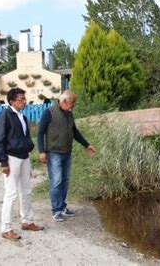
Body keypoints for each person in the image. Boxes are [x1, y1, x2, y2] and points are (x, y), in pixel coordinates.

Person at [0, 88, 44, 241]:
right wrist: (3, 162)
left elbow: (25, 136)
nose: (24, 101)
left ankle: (27, 221)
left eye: (24, 98)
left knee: (26, 191)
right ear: (12, 101)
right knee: (11, 193)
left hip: (24, 157)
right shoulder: (4, 116)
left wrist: (29, 147)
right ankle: (6, 228)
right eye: (21, 99)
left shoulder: (23, 116)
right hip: (11, 158)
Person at [37, 90, 96, 222]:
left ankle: (62, 207)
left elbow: (74, 131)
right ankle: (56, 210)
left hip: (66, 153)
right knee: (56, 181)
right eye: (71, 104)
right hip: (54, 153)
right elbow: (40, 133)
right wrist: (42, 151)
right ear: (63, 101)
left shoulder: (69, 114)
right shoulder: (49, 112)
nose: (72, 106)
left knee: (65, 181)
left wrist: (87, 145)